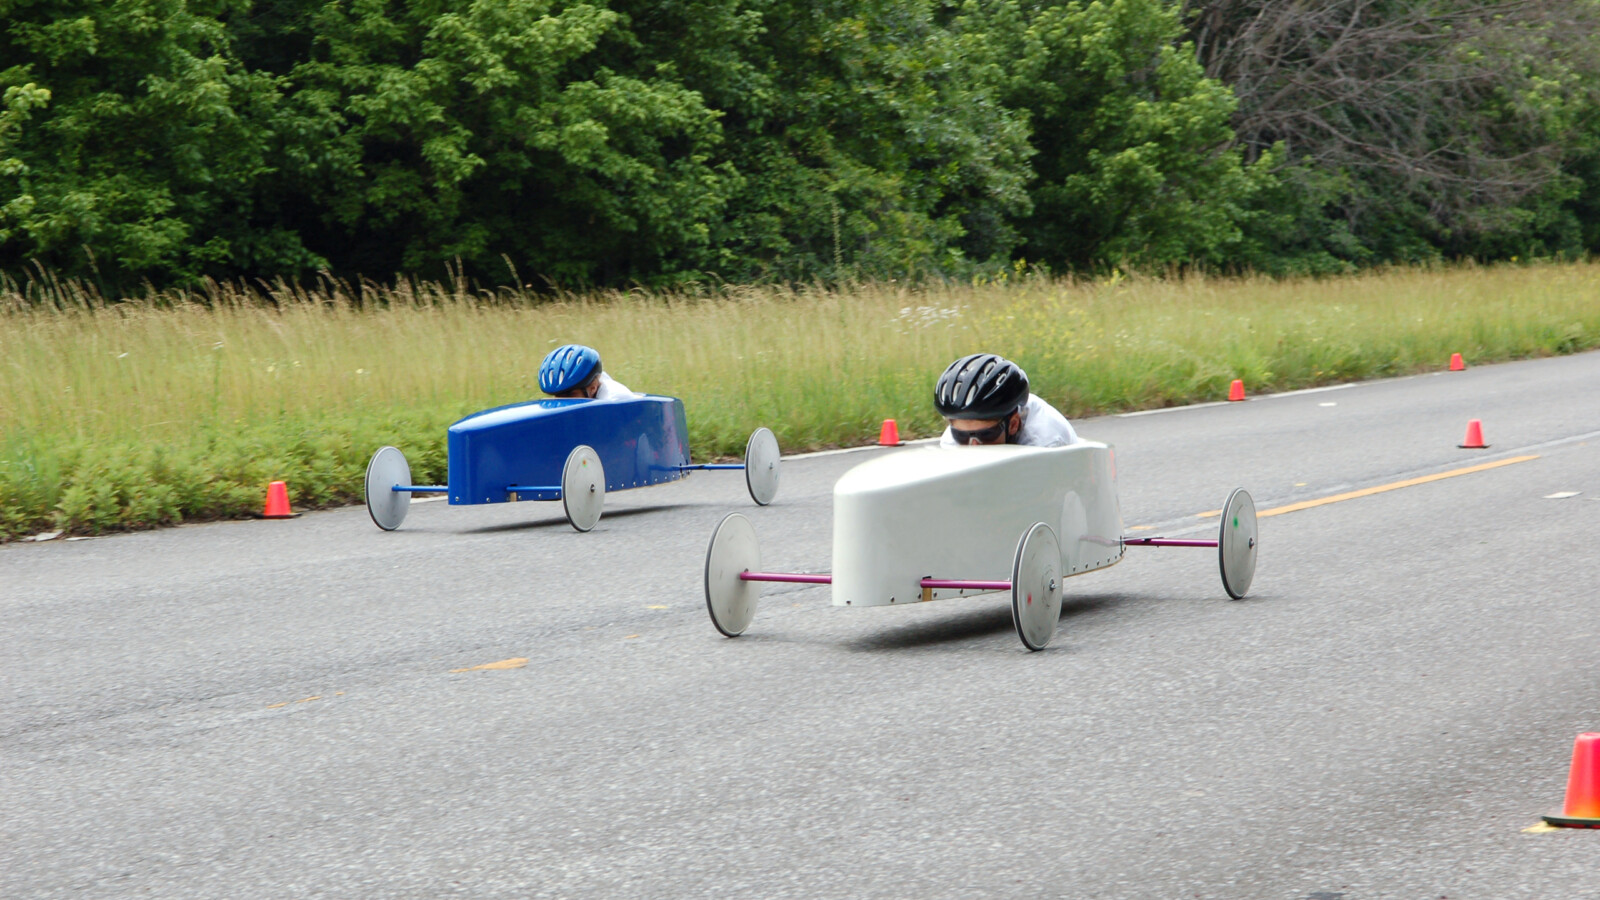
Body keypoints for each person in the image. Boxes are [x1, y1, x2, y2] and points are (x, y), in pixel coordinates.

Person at [934, 353, 1080, 447]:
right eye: (961, 435)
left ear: (1013, 424)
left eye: (986, 435)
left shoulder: (1045, 441)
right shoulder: (951, 441)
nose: (973, 445)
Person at [539, 344, 635, 400]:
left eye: (570, 394)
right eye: (558, 396)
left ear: (593, 388)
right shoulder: (590, 393)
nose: (564, 400)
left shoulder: (615, 399)